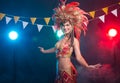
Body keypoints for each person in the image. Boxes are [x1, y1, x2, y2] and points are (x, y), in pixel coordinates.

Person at [38, 0, 101, 83]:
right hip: (59, 73)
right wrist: (44, 51)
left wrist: (87, 66)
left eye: (67, 25)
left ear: (72, 26)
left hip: (67, 72)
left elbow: (79, 57)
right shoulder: (60, 38)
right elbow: (56, 48)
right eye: (63, 25)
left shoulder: (74, 40)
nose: (65, 27)